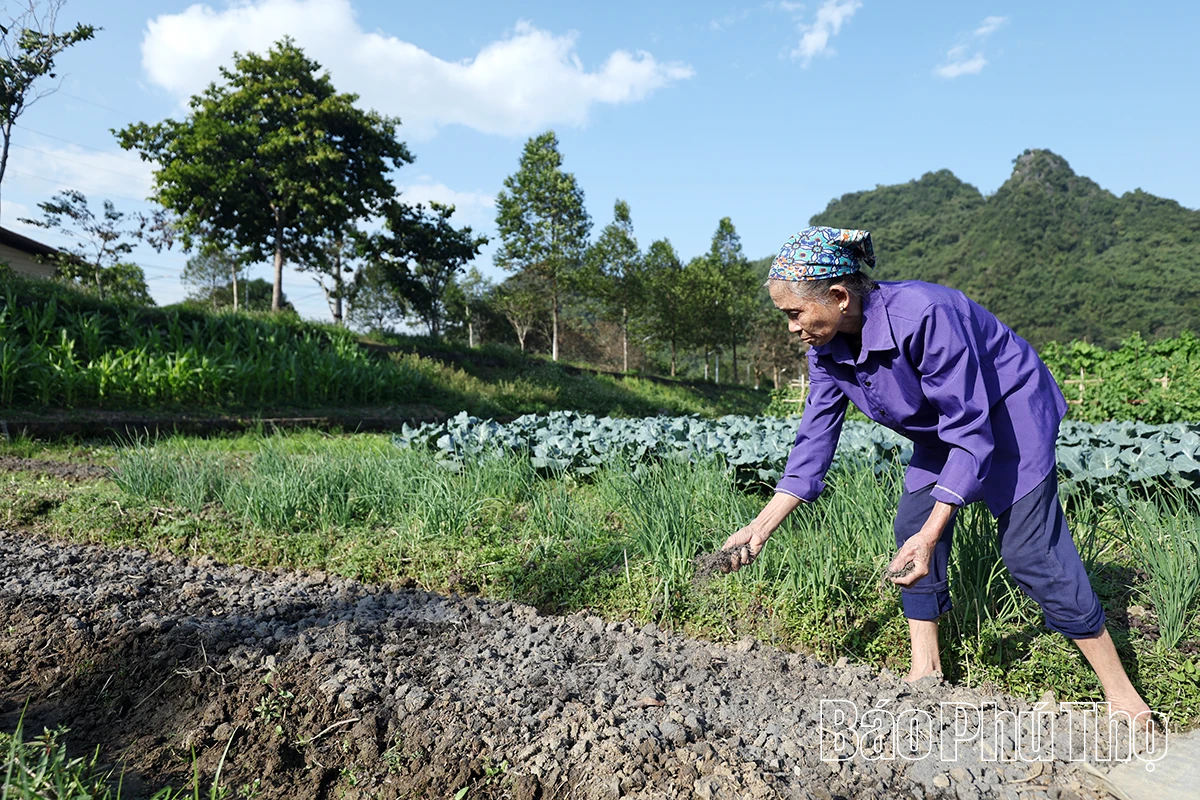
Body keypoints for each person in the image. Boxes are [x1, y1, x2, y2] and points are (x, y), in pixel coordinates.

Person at [722, 225, 1151, 720]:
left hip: (1008, 417)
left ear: (839, 296)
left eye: (794, 313)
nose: (792, 328)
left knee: (1032, 552)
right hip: (946, 428)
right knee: (912, 525)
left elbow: (971, 430)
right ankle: (925, 668)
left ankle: (1123, 695)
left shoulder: (925, 314)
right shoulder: (826, 349)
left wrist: (935, 532)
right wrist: (760, 528)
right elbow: (813, 445)